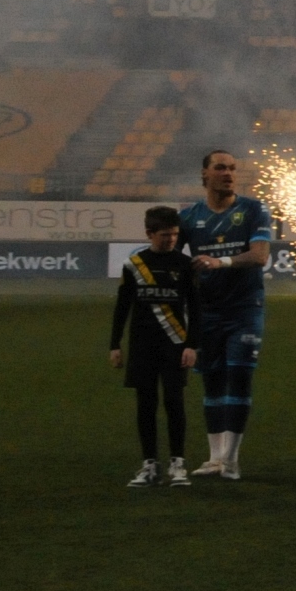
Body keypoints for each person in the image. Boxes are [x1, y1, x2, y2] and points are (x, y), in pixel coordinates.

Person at [179, 150, 272, 479]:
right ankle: (215, 458)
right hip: (207, 311)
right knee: (212, 381)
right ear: (204, 175)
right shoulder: (188, 217)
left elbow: (260, 256)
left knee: (240, 376)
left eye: (233, 168)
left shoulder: (253, 209)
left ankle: (231, 459)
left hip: (244, 309)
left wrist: (221, 262)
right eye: (220, 168)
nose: (228, 173)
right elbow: (176, 264)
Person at [109, 206, 198, 488]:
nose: (170, 240)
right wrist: (115, 344)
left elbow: (196, 309)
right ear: (149, 234)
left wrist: (192, 345)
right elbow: (122, 307)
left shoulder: (185, 265)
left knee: (174, 402)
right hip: (142, 346)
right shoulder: (134, 265)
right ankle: (149, 465)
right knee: (146, 405)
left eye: (173, 234)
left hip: (175, 344)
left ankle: (178, 464)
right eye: (164, 235)